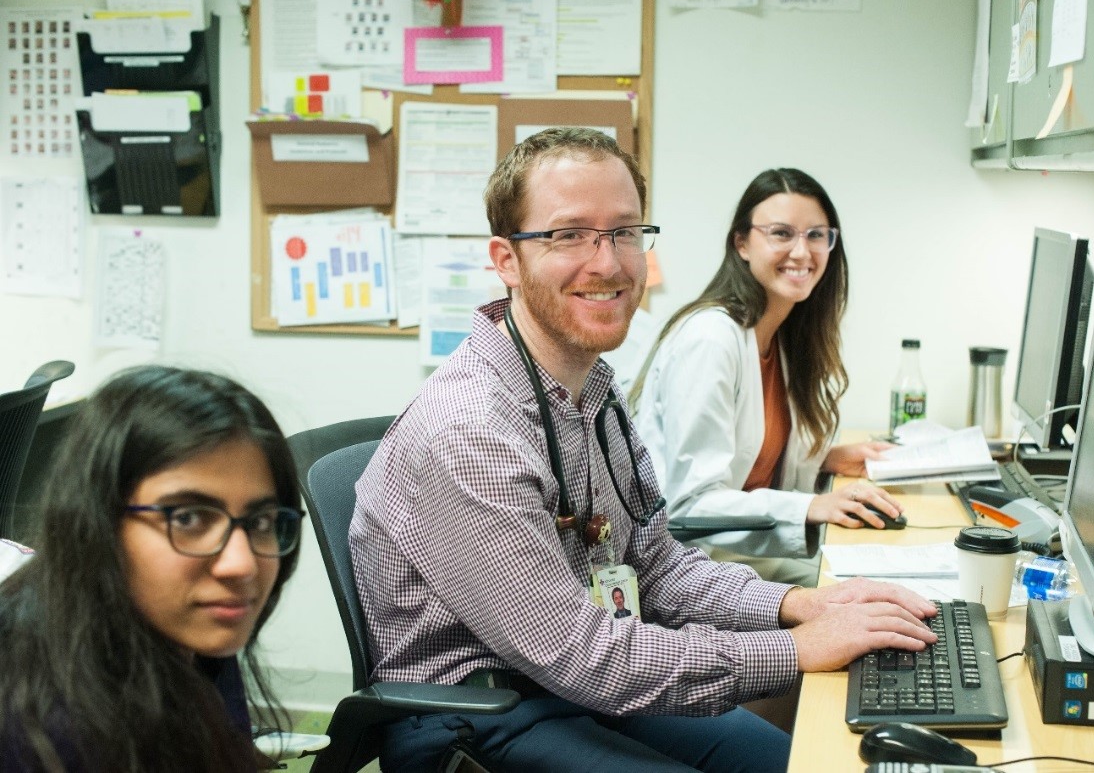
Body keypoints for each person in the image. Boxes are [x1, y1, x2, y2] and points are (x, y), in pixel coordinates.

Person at [350, 127, 937, 772]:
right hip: (475, 717)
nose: (607, 263)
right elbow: (581, 653)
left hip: (570, 688)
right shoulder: (471, 432)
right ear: (506, 259)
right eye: (568, 234)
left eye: (624, 232)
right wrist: (796, 649)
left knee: (799, 763)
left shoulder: (592, 391)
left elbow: (650, 563)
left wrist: (797, 604)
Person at [0, 366, 303, 773]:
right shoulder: (47, 727)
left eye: (261, 522)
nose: (242, 564)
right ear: (98, 522)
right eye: (189, 519)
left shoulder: (193, 632)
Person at [630, 168, 902, 586]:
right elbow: (689, 504)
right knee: (872, 598)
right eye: (781, 233)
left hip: (741, 558)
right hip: (692, 570)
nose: (802, 251)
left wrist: (826, 458)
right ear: (742, 243)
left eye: (816, 235)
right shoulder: (711, 340)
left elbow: (757, 460)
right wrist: (811, 505)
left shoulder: (780, 336)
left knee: (887, 588)